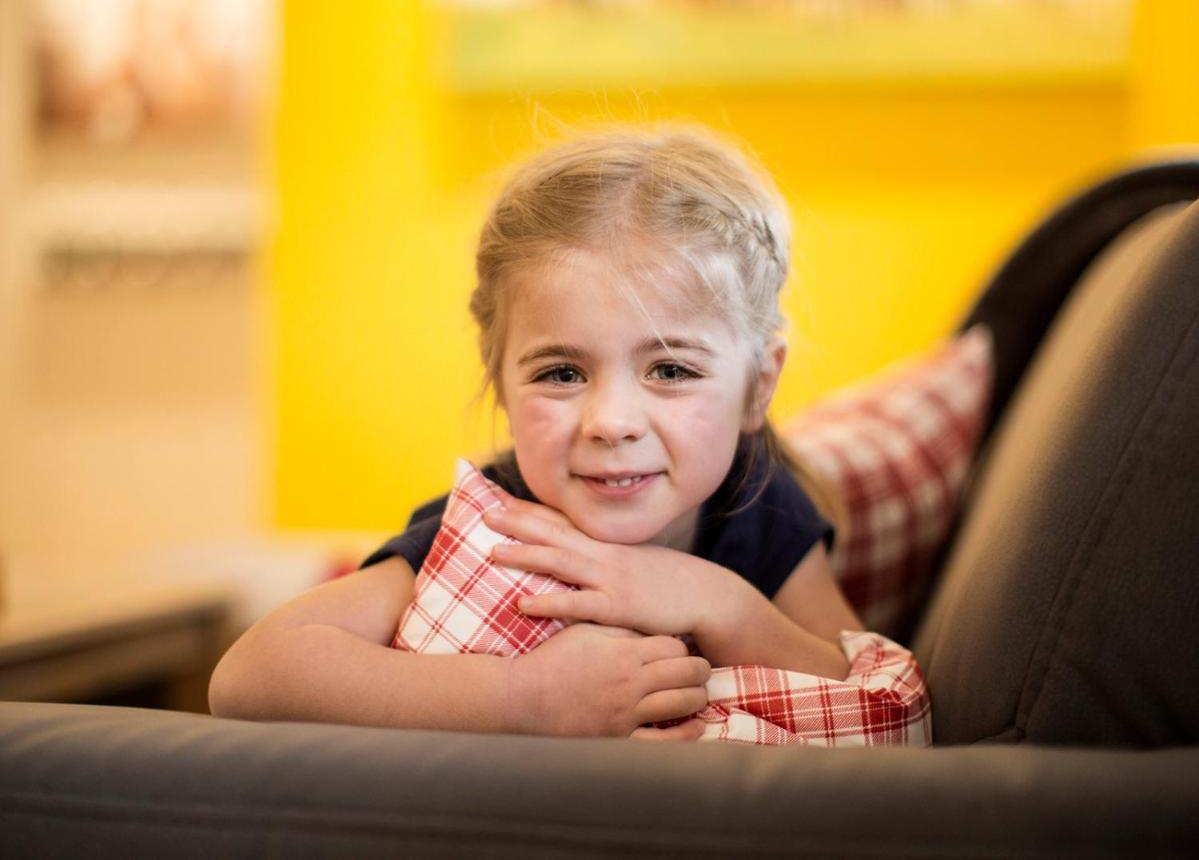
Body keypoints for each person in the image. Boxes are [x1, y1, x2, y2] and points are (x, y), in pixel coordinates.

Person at [209, 125, 864, 741]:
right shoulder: (499, 530)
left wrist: (717, 603)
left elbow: (866, 698)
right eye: (561, 373)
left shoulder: (756, 502)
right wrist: (522, 696)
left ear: (756, 387)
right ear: (499, 381)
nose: (610, 423)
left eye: (669, 369)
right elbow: (248, 676)